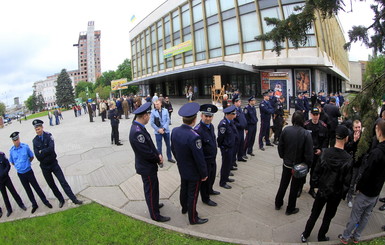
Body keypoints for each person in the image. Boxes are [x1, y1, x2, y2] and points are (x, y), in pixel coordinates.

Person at [301, 125, 352, 243]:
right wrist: (342, 194)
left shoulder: (325, 153)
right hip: (336, 193)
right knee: (328, 217)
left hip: (323, 190)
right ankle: (321, 236)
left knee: (314, 213)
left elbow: (316, 172)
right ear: (346, 138)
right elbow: (347, 181)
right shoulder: (348, 159)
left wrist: (316, 186)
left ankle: (305, 234)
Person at [339, 119, 385, 244]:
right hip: (376, 191)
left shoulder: (377, 152)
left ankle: (345, 236)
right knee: (366, 215)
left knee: (356, 215)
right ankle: (357, 236)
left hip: (367, 190)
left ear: (380, 132)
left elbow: (367, 172)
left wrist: (359, 187)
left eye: (376, 130)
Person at [129, 102, 170, 222]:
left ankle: (155, 205)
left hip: (148, 166)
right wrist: (158, 158)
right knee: (151, 190)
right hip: (146, 167)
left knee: (154, 188)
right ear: (144, 116)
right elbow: (146, 152)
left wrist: (157, 153)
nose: (149, 117)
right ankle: (155, 215)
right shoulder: (137, 132)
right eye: (148, 115)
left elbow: (149, 145)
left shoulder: (139, 128)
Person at [171, 102, 209, 225]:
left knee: (184, 188)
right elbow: (199, 158)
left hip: (182, 167)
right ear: (195, 119)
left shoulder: (175, 131)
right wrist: (204, 173)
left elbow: (173, 149)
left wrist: (180, 161)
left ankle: (184, 208)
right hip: (193, 171)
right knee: (193, 194)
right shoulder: (194, 136)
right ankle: (193, 218)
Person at [31, 119, 83, 208]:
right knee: (52, 185)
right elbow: (37, 156)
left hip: (53, 164)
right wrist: (44, 152)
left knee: (63, 182)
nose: (37, 131)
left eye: (39, 129)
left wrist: (42, 151)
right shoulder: (35, 141)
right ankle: (61, 200)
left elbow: (51, 149)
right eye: (36, 129)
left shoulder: (48, 136)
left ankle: (74, 199)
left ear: (42, 128)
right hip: (44, 167)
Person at [275, 111, 313, 215]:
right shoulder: (306, 134)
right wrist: (307, 165)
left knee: (283, 183)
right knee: (294, 187)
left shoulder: (286, 130)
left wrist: (283, 157)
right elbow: (309, 153)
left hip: (287, 163)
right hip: (298, 165)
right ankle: (290, 208)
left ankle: (278, 203)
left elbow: (280, 146)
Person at [8, 132, 53, 214]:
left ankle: (45, 201)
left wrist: (27, 164)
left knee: (36, 187)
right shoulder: (11, 151)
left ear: (19, 139)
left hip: (28, 171)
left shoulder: (25, 147)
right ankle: (34, 204)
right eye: (14, 140)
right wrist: (19, 167)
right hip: (21, 174)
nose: (16, 141)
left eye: (17, 139)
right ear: (12, 141)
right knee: (28, 190)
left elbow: (31, 156)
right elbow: (12, 162)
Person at [194, 104, 220, 207]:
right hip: (205, 161)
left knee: (212, 177)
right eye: (206, 116)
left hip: (212, 158)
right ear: (201, 116)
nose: (208, 118)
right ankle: (205, 198)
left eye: (210, 116)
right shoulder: (198, 130)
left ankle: (210, 190)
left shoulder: (211, 126)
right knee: (205, 180)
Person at [302, 107, 329, 198]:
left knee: (314, 172)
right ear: (311, 115)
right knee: (304, 170)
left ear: (319, 115)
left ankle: (312, 188)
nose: (315, 116)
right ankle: (300, 187)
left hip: (317, 153)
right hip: (307, 153)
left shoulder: (323, 126)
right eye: (314, 114)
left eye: (317, 114)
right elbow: (302, 139)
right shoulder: (306, 125)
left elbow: (326, 140)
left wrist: (321, 149)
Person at [0, 151, 27, 217]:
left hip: (6, 178)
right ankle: (9, 209)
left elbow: (8, 165)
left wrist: (5, 173)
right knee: (4, 195)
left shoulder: (1, 155)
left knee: (13, 192)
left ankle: (21, 204)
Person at [217, 105, 237, 189]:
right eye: (233, 114)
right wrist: (222, 147)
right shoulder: (223, 124)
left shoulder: (230, 122)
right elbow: (220, 138)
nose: (235, 115)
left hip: (231, 146)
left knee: (228, 164)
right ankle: (222, 182)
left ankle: (226, 178)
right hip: (226, 148)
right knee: (225, 165)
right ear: (228, 115)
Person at [344, 120, 362, 208]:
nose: (358, 129)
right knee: (351, 181)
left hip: (361, 162)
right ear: (352, 128)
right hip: (352, 163)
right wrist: (354, 141)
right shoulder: (350, 136)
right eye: (356, 127)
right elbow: (347, 148)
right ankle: (349, 198)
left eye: (359, 127)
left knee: (357, 180)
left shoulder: (363, 136)